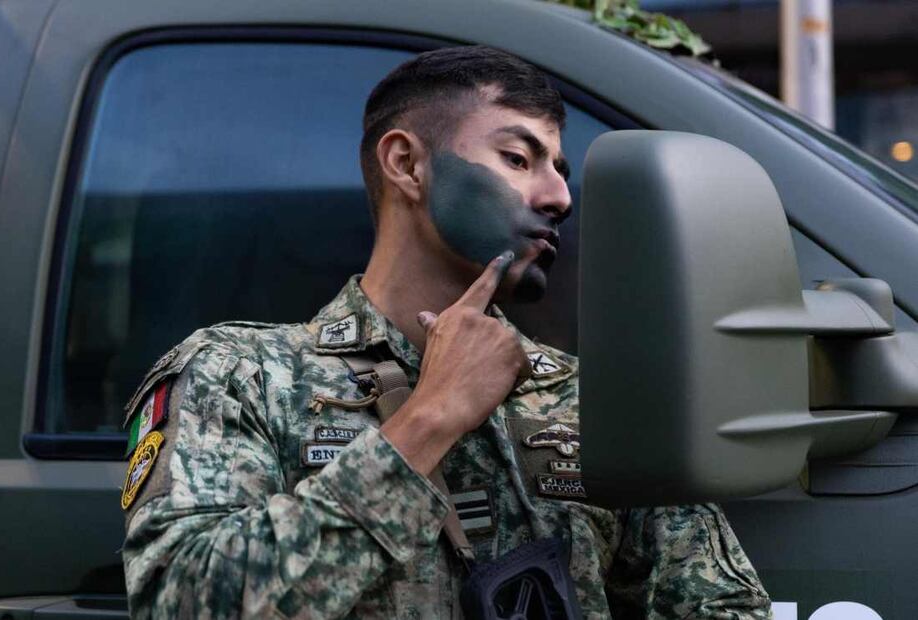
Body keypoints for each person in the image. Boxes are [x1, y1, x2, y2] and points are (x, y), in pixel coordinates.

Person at [121, 45, 772, 619]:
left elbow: (722, 606)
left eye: (559, 171)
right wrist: (428, 419)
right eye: (518, 158)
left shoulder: (587, 400)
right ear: (407, 163)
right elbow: (186, 600)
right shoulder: (236, 375)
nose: (558, 198)